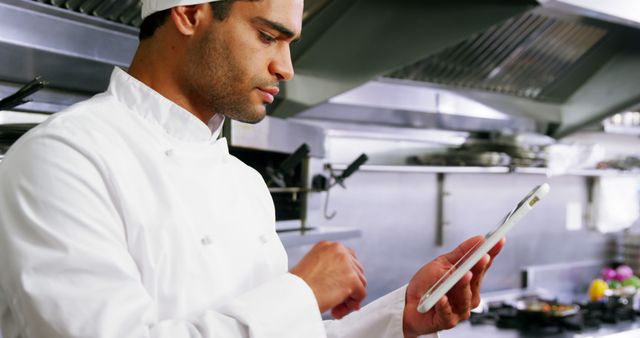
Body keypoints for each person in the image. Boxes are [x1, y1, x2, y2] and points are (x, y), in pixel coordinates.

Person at [0, 0, 505, 337]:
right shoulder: (62, 158)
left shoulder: (244, 182)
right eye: (268, 36)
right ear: (190, 13)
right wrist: (303, 291)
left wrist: (400, 319)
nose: (286, 68)